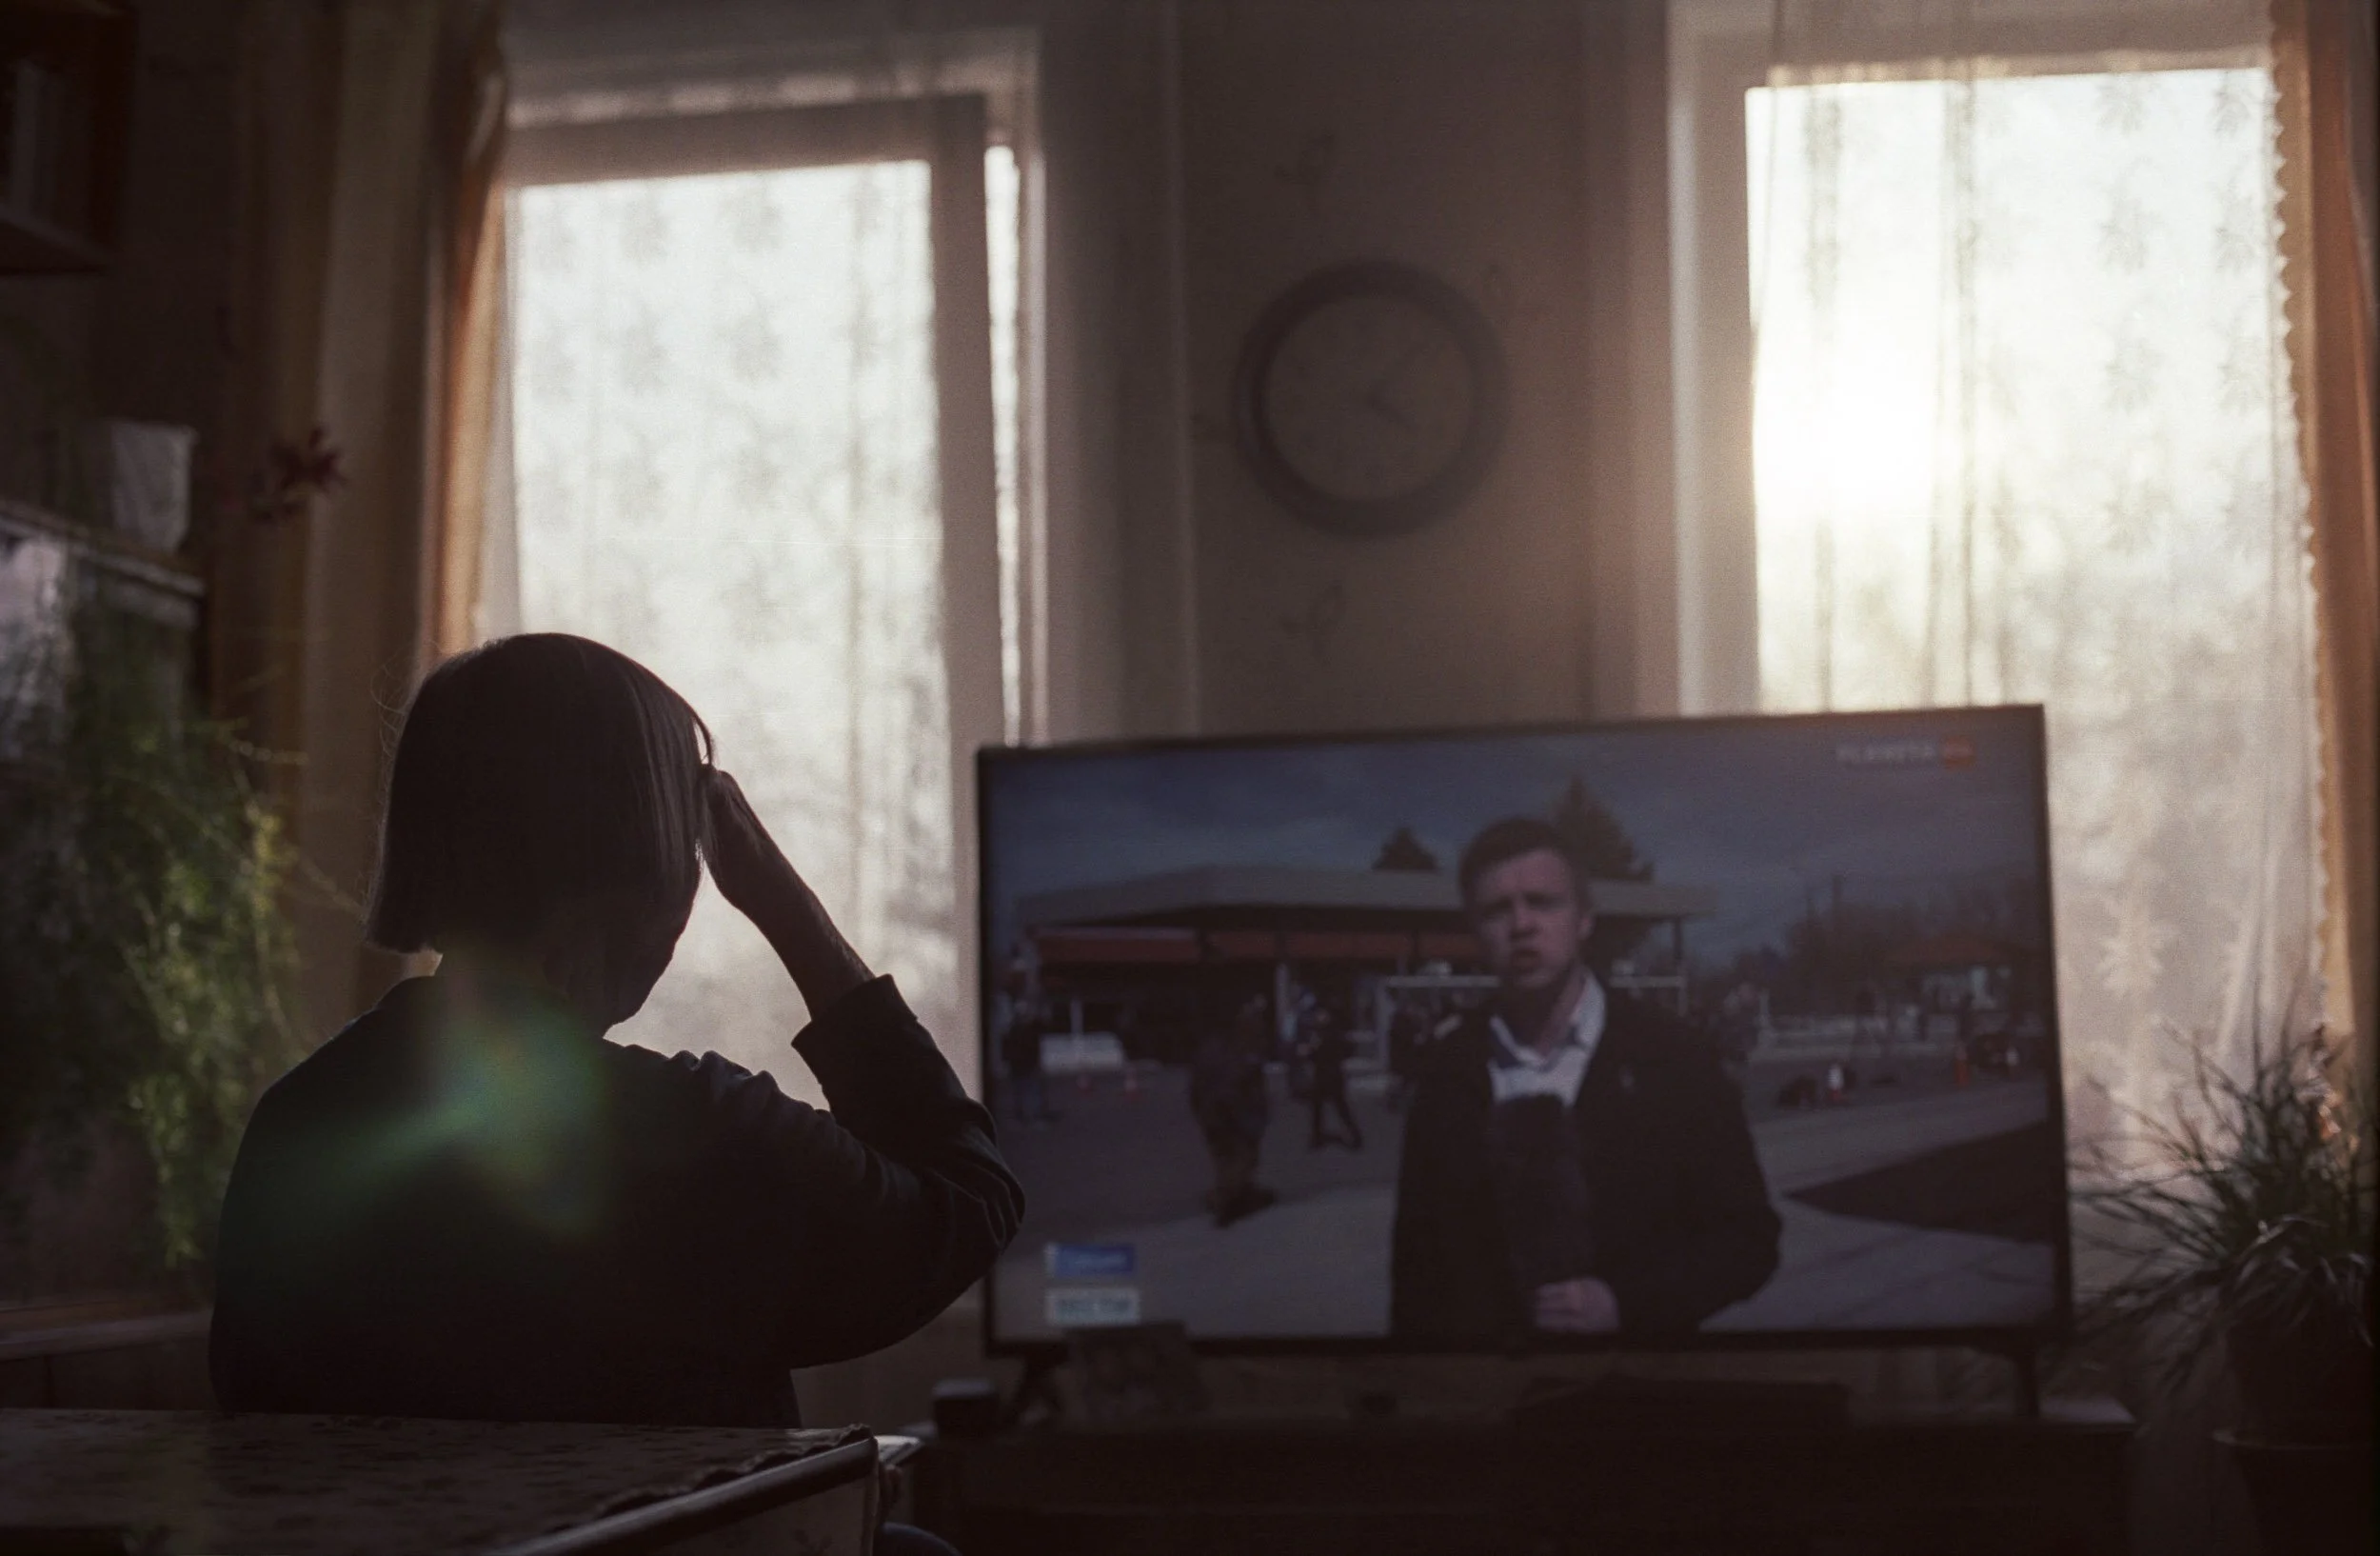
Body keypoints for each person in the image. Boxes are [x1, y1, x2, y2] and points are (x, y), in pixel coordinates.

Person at [209, 634, 1024, 1449]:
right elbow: (965, 1203)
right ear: (645, 874)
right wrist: (785, 906)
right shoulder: (691, 1138)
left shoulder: (295, 1121)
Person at [1389, 817, 1779, 1343]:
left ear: (1584, 919)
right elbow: (1416, 1269)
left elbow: (1749, 1241)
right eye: (1497, 910)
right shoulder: (1447, 1073)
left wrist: (1627, 1304)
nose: (1521, 924)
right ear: (1475, 931)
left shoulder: (1674, 1057)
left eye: (1542, 902)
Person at [1189, 994, 1278, 1227]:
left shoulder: (1208, 1049)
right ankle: (1226, 1201)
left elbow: (1196, 1088)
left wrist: (1201, 1112)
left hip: (1213, 1114)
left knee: (1223, 1159)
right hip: (1233, 1114)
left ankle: (1234, 1195)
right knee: (1241, 1159)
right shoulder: (1239, 1050)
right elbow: (1239, 1084)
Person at [1303, 1002, 1363, 1150]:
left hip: (1332, 1075)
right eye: (1317, 1015)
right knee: (1317, 1108)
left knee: (1341, 1108)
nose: (1318, 1017)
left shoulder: (1332, 1032)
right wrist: (1310, 1051)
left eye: (1321, 1014)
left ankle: (1356, 1137)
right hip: (1321, 1075)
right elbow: (1314, 1056)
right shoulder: (1317, 1032)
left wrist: (1314, 1048)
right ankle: (1316, 1138)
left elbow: (1335, 1051)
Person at [1002, 999, 1057, 1127]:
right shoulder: (1016, 1029)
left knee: (1030, 1091)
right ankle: (1025, 1116)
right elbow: (1008, 1048)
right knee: (1023, 1092)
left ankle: (1032, 1116)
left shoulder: (1028, 1027)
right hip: (1021, 1065)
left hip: (1026, 1065)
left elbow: (1045, 1025)